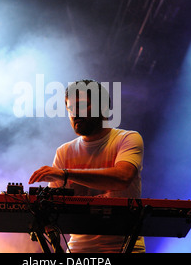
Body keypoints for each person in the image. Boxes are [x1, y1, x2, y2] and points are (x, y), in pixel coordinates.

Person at [29, 79, 145, 253]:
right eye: (70, 109)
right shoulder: (64, 151)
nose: (75, 113)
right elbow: (50, 212)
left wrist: (66, 174)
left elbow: (122, 178)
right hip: (78, 250)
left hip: (125, 248)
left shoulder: (127, 139)